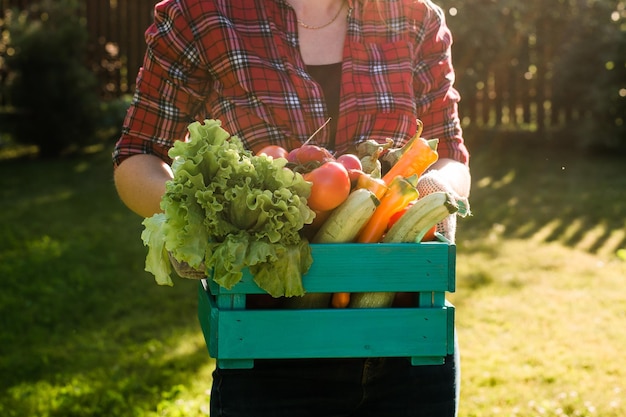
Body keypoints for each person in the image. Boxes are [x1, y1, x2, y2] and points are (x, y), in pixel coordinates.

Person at [112, 0, 471, 416]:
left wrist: (438, 190)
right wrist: (189, 213)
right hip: (267, 351)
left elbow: (450, 152)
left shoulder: (413, 15)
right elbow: (137, 154)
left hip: (410, 350)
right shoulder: (203, 13)